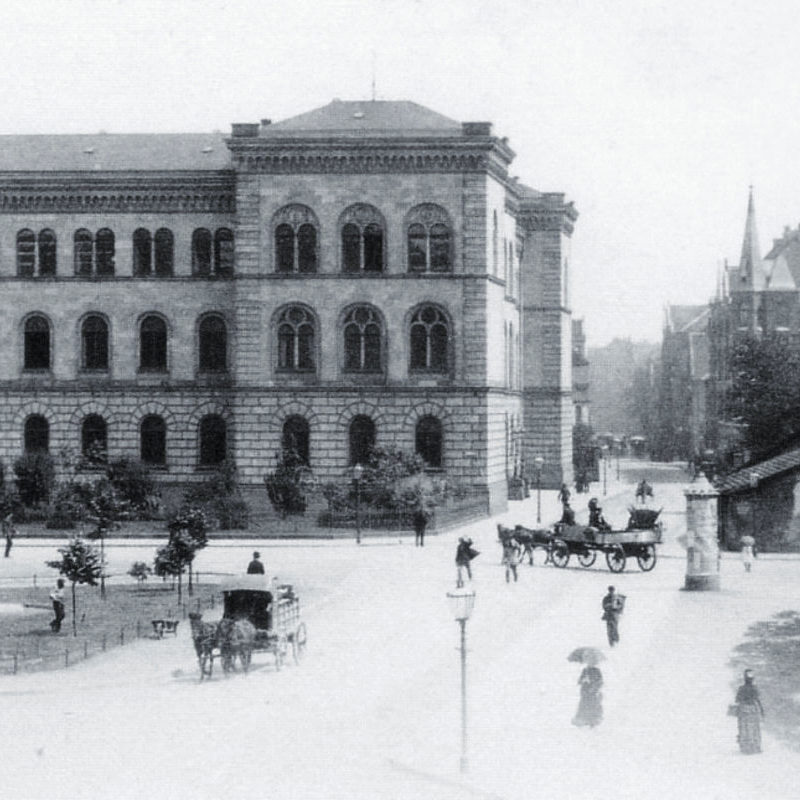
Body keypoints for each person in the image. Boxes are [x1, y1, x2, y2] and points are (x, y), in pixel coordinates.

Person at [734, 669, 765, 754]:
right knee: (754, 728)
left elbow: (737, 699)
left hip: (743, 709)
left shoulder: (741, 688)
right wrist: (761, 710)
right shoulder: (755, 688)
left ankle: (745, 746)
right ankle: (755, 746)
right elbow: (758, 699)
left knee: (744, 728)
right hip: (752, 710)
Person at [572, 663, 603, 727]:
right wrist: (583, 680)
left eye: (591, 661)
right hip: (584, 692)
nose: (589, 663)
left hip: (592, 692)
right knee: (583, 706)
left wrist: (592, 682)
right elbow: (579, 681)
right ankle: (582, 720)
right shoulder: (585, 670)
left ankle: (592, 721)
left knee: (592, 706)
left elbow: (600, 681)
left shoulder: (597, 670)